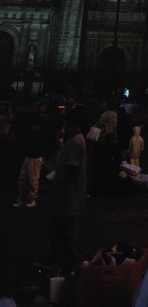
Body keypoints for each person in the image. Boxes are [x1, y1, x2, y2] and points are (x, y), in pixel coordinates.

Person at [48, 107, 87, 274]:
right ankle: (66, 265)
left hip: (68, 197)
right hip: (71, 196)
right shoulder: (79, 139)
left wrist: (56, 180)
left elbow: (70, 168)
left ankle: (66, 266)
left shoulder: (75, 142)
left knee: (65, 233)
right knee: (67, 233)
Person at [13, 110, 48, 208]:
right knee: (24, 179)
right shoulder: (39, 133)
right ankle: (26, 199)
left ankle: (29, 199)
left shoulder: (37, 134)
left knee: (31, 180)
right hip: (32, 156)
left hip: (33, 157)